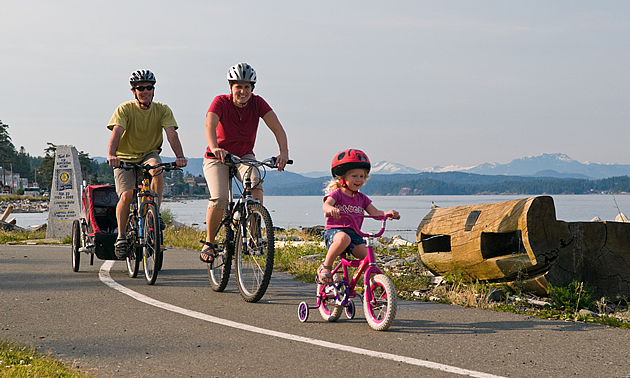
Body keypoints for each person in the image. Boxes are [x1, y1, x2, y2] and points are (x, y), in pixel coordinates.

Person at [201, 62, 289, 264]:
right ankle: (210, 242)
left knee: (255, 179)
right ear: (231, 87)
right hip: (218, 157)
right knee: (220, 198)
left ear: (252, 88)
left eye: (247, 87)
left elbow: (277, 128)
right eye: (238, 87)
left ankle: (255, 234)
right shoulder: (220, 102)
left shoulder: (258, 103)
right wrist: (215, 147)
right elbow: (210, 124)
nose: (243, 91)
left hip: (244, 156)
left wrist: (283, 153)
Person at [107, 69, 188, 259]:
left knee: (157, 168)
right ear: (134, 91)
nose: (145, 91)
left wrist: (180, 156)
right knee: (127, 195)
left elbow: (171, 134)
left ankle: (155, 212)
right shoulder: (125, 109)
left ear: (153, 90)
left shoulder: (163, 109)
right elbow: (117, 132)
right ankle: (121, 236)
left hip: (149, 154)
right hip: (125, 157)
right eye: (140, 88)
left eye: (149, 87)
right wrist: (111, 155)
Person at [319, 149, 400, 284]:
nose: (359, 180)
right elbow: (326, 205)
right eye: (354, 176)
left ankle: (373, 284)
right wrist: (331, 209)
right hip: (335, 232)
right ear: (342, 178)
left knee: (368, 256)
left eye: (362, 176)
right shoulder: (337, 194)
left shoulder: (362, 198)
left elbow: (375, 213)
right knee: (343, 238)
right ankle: (326, 266)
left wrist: (386, 214)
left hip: (354, 234)